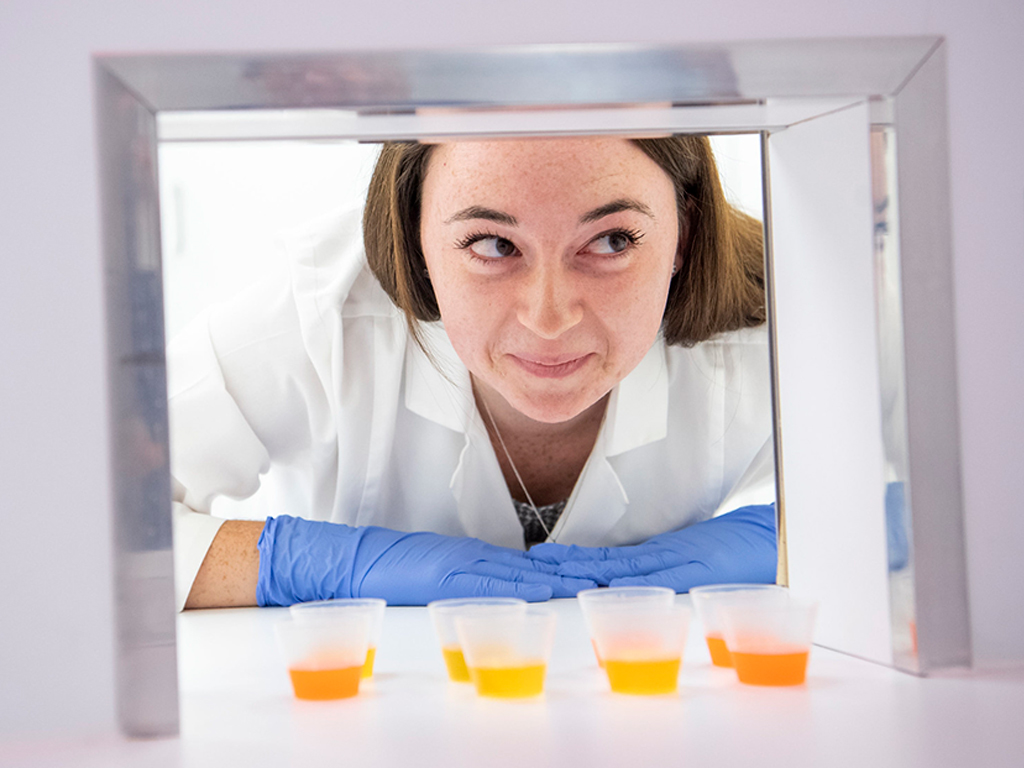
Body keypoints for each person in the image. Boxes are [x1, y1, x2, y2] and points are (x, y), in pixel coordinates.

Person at [170, 135, 777, 611]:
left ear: (683, 234)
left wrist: (804, 537)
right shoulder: (317, 316)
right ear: (417, 238)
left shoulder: (783, 321)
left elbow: (878, 468)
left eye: (613, 240)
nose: (548, 318)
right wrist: (297, 564)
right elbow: (86, 524)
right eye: (492, 244)